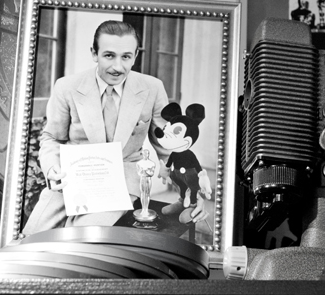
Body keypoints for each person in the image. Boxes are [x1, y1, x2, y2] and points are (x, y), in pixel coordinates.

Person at [23, 20, 206, 234]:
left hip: (121, 181)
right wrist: (52, 168)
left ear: (135, 56)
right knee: (31, 236)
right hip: (71, 178)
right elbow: (51, 138)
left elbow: (171, 149)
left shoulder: (153, 88)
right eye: (109, 55)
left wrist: (193, 192)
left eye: (126, 57)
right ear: (94, 53)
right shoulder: (66, 87)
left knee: (80, 235)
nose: (118, 67)